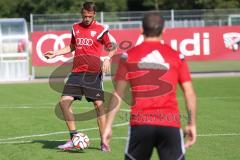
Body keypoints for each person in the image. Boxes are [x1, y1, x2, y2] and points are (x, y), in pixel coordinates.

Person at [102, 13, 197, 160]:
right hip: (170, 124)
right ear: (164, 30)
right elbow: (189, 93)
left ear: (141, 29)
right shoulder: (177, 56)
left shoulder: (129, 56)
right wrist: (191, 123)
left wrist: (108, 126)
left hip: (140, 125)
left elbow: (118, 94)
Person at [44, 1, 116, 151]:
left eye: (90, 16)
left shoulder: (101, 29)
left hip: (93, 73)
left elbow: (112, 47)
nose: (87, 19)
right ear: (81, 13)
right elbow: (72, 46)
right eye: (84, 16)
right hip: (76, 73)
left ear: (94, 15)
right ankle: (73, 137)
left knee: (99, 105)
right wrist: (56, 53)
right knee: (64, 103)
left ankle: (104, 142)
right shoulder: (75, 28)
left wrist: (108, 58)